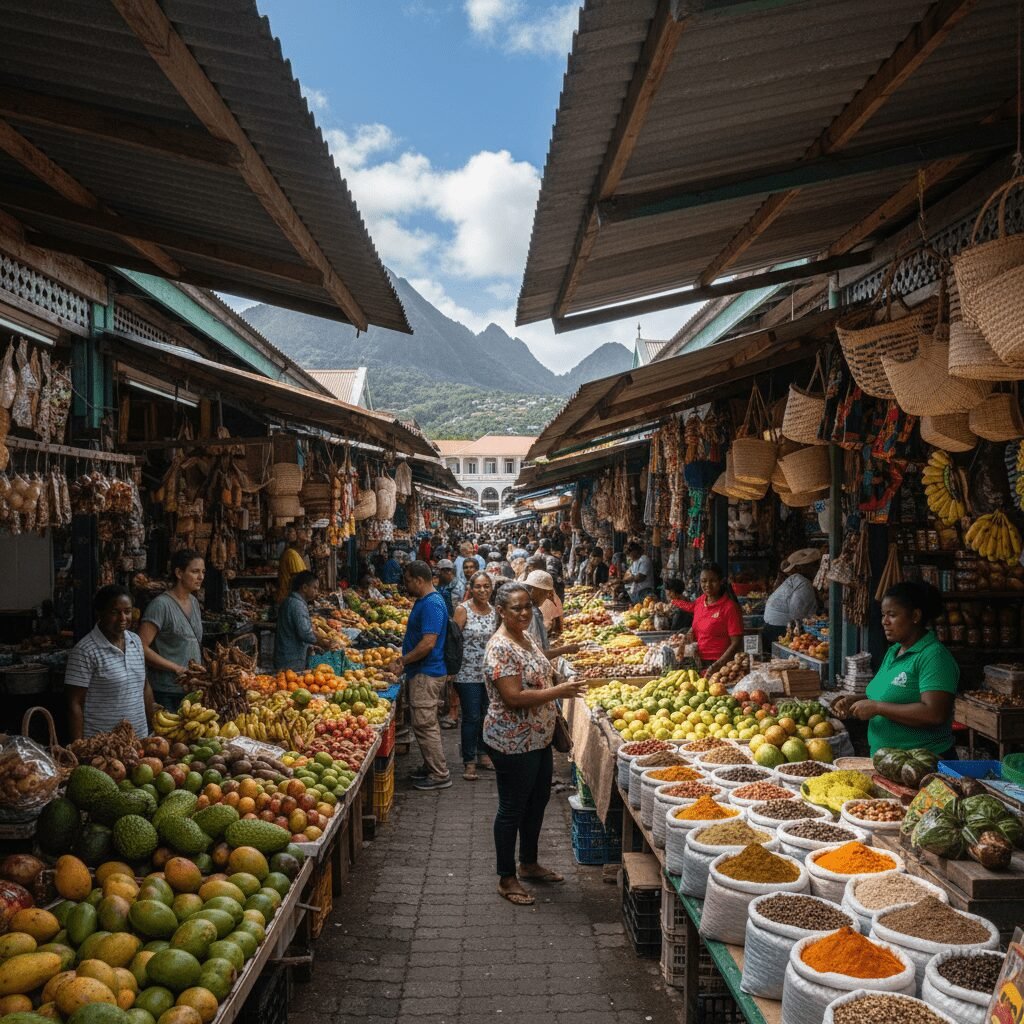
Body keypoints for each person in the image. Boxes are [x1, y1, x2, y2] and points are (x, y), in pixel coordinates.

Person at [483, 583, 588, 906]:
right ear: (501, 611)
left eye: (528, 606)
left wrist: (560, 675)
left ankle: (528, 862)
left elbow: (542, 670)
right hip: (512, 741)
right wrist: (560, 692)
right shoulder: (500, 647)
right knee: (512, 808)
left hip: (538, 737)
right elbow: (513, 697)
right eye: (517, 608)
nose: (525, 612)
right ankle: (506, 877)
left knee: (537, 800)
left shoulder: (525, 637)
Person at [834, 582, 958, 758]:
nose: (884, 622)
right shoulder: (894, 651)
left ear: (915, 615)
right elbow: (893, 696)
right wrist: (857, 701)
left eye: (892, 615)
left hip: (923, 765)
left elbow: (934, 713)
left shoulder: (934, 656)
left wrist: (877, 707)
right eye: (884, 615)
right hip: (888, 761)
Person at [66, 585, 151, 741]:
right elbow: (74, 704)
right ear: (100, 613)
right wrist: (78, 746)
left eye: (127, 611)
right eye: (114, 612)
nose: (123, 618)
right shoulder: (85, 651)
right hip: (103, 745)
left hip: (140, 740)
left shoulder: (136, 641)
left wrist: (154, 727)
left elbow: (144, 686)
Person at [395, 560, 451, 790]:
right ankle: (430, 766)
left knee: (426, 724)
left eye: (408, 580)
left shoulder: (432, 604)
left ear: (419, 580)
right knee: (422, 723)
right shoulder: (426, 601)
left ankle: (439, 774)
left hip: (427, 673)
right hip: (422, 672)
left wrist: (402, 661)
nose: (406, 585)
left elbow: (428, 643)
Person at [139, 550, 205, 710]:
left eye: (203, 572)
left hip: (191, 689)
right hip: (166, 690)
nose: (201, 577)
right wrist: (175, 668)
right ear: (179, 573)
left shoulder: (194, 603)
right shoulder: (161, 605)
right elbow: (141, 647)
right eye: (195, 571)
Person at [453, 571, 498, 780]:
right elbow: (453, 641)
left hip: (489, 673)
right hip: (466, 673)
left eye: (486, 586)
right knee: (471, 716)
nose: (482, 590)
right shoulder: (463, 610)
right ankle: (469, 761)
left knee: (487, 715)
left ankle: (483, 753)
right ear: (470, 588)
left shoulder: (495, 612)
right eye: (478, 586)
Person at [676, 562, 744, 676]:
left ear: (721, 581)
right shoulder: (700, 602)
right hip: (699, 663)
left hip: (722, 668)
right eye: (703, 581)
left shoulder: (730, 607)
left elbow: (736, 642)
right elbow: (696, 626)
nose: (707, 585)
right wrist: (684, 642)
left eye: (713, 581)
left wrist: (718, 665)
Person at [763, 548, 822, 643]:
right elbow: (797, 614)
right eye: (814, 565)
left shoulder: (795, 579)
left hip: (771, 625)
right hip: (780, 629)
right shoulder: (803, 583)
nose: (817, 569)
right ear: (803, 568)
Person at [275, 570, 319, 672]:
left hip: (286, 655)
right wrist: (323, 641)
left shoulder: (291, 601)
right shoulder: (297, 605)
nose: (316, 592)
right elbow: (305, 633)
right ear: (304, 588)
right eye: (315, 588)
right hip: (291, 659)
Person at [276, 529, 309, 603]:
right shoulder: (292, 554)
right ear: (298, 543)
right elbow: (297, 580)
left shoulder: (293, 554)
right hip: (289, 600)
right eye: (304, 542)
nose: (305, 545)